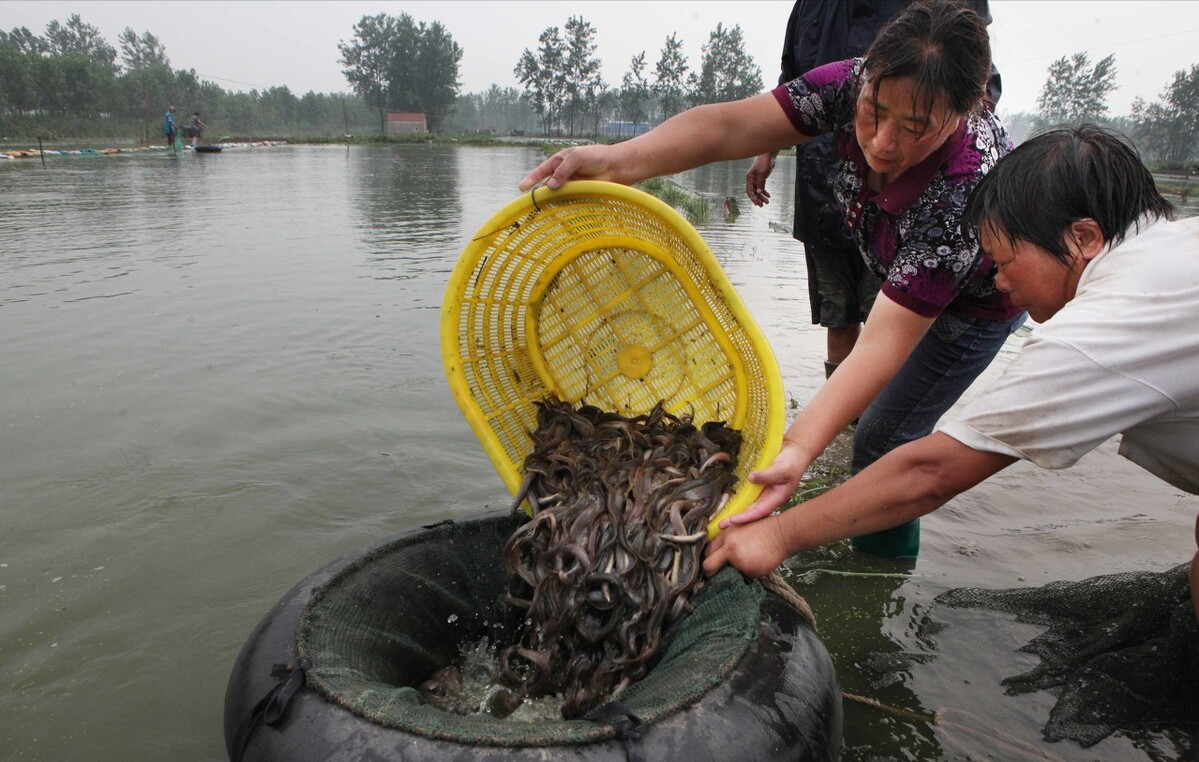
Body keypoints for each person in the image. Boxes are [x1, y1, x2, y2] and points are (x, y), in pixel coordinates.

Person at [520, 0, 1023, 559]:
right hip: (895, 255)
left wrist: (796, 449)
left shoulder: (964, 188)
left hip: (977, 303)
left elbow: (885, 341)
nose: (881, 143)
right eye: (873, 112)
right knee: (859, 411)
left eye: (914, 128)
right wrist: (615, 161)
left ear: (964, 112)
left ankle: (879, 575)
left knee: (883, 437)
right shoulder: (851, 83)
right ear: (867, 78)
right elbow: (729, 125)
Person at [703, 124, 1199, 622]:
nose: (1000, 283)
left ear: (1084, 237)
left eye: (1005, 260)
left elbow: (933, 473)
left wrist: (778, 534)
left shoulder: (1107, 326)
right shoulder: (1174, 251)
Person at [745, 1, 1001, 383]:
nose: (882, 140)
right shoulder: (813, 7)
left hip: (903, 206)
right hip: (824, 184)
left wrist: (928, 143)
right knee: (838, 312)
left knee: (888, 319)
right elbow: (791, 78)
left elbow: (978, 86)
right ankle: (845, 424)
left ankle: (873, 422)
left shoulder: (932, 23)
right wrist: (766, 150)